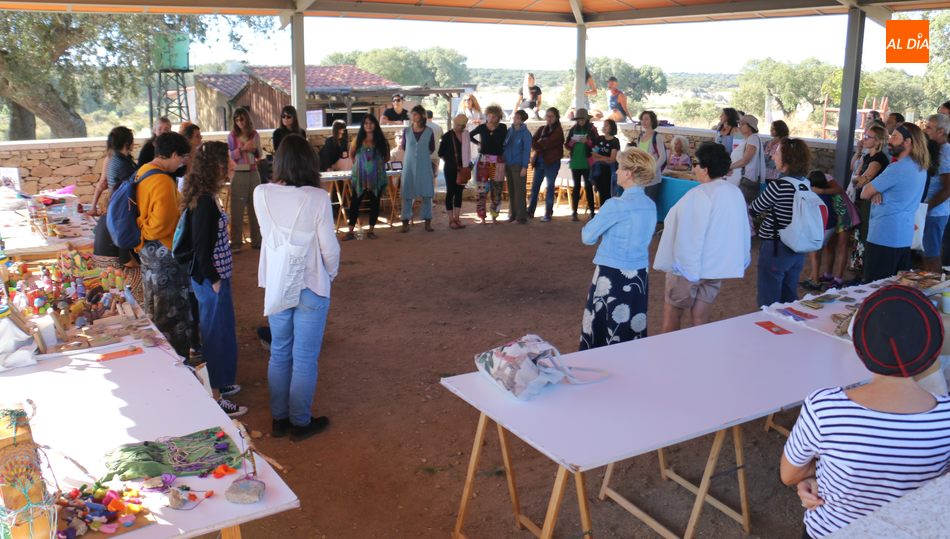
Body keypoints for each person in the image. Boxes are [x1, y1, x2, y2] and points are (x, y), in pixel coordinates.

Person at [782, 285, 950, 539]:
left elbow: (789, 474)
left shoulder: (824, 407)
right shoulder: (945, 418)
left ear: (860, 347)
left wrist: (821, 477)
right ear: (932, 351)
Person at [253, 134, 339, 442]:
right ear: (309, 163)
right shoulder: (317, 197)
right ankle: (300, 422)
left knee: (279, 351)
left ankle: (279, 419)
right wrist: (331, 273)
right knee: (304, 356)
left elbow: (267, 237)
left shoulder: (261, 193)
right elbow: (329, 247)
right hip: (310, 281)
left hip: (277, 281)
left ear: (280, 161)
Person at [179, 141, 246, 417]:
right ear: (216, 166)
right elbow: (201, 247)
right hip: (211, 280)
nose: (232, 165)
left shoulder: (205, 197)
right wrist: (214, 279)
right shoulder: (205, 201)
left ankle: (222, 381)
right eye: (227, 161)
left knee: (221, 331)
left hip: (213, 278)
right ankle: (216, 394)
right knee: (215, 335)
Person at [656, 142, 751, 333]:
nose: (694, 168)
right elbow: (741, 229)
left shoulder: (699, 194)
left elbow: (688, 234)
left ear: (705, 169)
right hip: (716, 268)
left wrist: (684, 268)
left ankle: (668, 356)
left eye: (696, 164)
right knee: (700, 317)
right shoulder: (734, 192)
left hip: (690, 268)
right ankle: (697, 355)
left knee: (672, 314)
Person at [578, 148, 657, 350]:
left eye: (620, 168)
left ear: (629, 173)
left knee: (604, 327)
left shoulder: (615, 205)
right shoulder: (650, 204)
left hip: (611, 274)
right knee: (631, 326)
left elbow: (587, 237)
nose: (617, 172)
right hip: (638, 275)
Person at [135, 131, 192, 358]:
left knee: (153, 306)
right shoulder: (162, 180)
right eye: (182, 158)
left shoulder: (143, 171)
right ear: (174, 154)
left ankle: (159, 359)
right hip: (164, 255)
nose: (182, 163)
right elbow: (162, 225)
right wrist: (146, 230)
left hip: (148, 254)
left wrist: (142, 230)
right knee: (172, 315)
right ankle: (178, 362)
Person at [860, 123, 929, 282]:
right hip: (904, 236)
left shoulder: (898, 168)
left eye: (895, 137)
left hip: (884, 235)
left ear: (907, 142)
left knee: (875, 287)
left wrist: (876, 191)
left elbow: (865, 192)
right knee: (895, 287)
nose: (890, 140)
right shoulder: (920, 167)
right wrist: (878, 191)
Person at [749, 138, 812, 307]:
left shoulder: (779, 185)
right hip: (798, 246)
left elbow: (755, 208)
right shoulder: (805, 183)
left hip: (776, 246)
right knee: (789, 294)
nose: (773, 156)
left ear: (787, 159)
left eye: (777, 153)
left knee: (769, 297)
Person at [90, 126, 143, 304]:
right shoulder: (123, 213)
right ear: (128, 143)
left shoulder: (114, 160)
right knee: (144, 278)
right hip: (111, 270)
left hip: (103, 264)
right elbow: (125, 258)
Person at [801, 171, 854, 291]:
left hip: (843, 213)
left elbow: (839, 190)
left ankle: (838, 279)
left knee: (841, 246)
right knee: (830, 246)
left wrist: (820, 192)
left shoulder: (824, 186)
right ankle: (828, 275)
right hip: (833, 217)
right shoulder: (821, 194)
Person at [848, 125, 889, 276]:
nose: (864, 139)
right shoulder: (867, 157)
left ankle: (865, 272)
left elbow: (860, 181)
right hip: (862, 200)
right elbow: (854, 170)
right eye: (864, 136)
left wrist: (859, 178)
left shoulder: (878, 159)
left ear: (878, 141)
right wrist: (859, 152)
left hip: (870, 203)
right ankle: (859, 270)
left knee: (865, 235)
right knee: (859, 235)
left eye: (868, 137)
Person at [343, 115, 390, 241]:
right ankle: (350, 231)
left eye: (371, 123)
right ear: (363, 126)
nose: (368, 125)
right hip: (360, 178)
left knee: (375, 203)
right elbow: (352, 155)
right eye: (366, 123)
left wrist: (375, 167)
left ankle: (371, 230)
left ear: (375, 124)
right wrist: (362, 167)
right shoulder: (357, 140)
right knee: (355, 203)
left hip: (376, 178)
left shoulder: (381, 141)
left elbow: (387, 157)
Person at [227, 108, 262, 252]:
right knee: (237, 209)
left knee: (255, 208)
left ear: (247, 119)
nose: (240, 122)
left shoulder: (254, 135)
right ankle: (236, 242)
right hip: (238, 173)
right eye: (237, 119)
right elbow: (229, 156)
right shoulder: (232, 136)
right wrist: (242, 149)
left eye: (242, 119)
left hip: (253, 172)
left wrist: (253, 150)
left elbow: (260, 154)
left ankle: (257, 240)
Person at [399, 105, 436, 232]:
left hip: (424, 166)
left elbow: (432, 148)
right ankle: (405, 221)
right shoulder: (406, 131)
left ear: (421, 115)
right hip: (409, 166)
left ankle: (427, 221)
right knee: (407, 194)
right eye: (412, 114)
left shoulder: (429, 131)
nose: (413, 116)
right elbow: (404, 147)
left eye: (415, 114)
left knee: (427, 194)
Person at [470, 104, 508, 223]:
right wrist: (478, 143)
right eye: (489, 115)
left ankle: (494, 215)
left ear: (498, 117)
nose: (491, 118)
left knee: (497, 189)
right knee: (481, 190)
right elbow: (469, 135)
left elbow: (506, 141)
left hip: (498, 161)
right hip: (483, 161)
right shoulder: (481, 127)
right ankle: (482, 217)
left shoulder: (502, 127)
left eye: (494, 116)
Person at [922, 114, 950, 272]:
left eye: (929, 127)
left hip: (935, 213)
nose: (925, 130)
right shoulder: (935, 150)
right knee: (926, 253)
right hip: (930, 211)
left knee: (931, 255)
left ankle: (936, 293)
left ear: (940, 131)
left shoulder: (946, 152)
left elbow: (948, 188)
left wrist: (927, 207)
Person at [528, 107, 565, 222]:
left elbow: (547, 143)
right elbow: (533, 141)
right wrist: (540, 144)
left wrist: (540, 144)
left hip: (551, 162)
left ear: (556, 118)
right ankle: (530, 212)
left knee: (550, 187)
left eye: (551, 116)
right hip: (540, 161)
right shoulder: (542, 129)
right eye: (547, 116)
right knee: (535, 188)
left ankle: (548, 213)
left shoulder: (558, 131)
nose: (548, 118)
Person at [566, 108, 599, 222]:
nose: (580, 122)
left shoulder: (592, 129)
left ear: (586, 119)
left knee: (588, 186)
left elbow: (597, 144)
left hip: (587, 161)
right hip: (575, 161)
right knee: (576, 187)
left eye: (582, 119)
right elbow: (567, 145)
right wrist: (572, 142)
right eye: (578, 120)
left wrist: (588, 142)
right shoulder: (573, 129)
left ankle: (592, 212)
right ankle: (574, 212)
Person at [438, 114, 471, 230]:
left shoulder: (466, 135)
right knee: (450, 192)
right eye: (456, 125)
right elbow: (440, 153)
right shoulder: (447, 136)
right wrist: (451, 162)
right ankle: (451, 219)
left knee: (459, 193)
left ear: (463, 126)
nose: (457, 127)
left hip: (463, 169)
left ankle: (457, 218)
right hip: (450, 169)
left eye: (460, 125)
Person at [728, 114, 766, 204]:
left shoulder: (753, 139)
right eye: (739, 124)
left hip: (746, 182)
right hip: (743, 181)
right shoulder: (750, 139)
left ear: (750, 126)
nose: (739, 127)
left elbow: (745, 160)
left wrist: (729, 167)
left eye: (742, 124)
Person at [502, 110, 532, 224]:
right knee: (512, 190)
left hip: (519, 164)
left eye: (518, 117)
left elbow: (526, 151)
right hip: (508, 164)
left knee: (519, 191)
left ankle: (521, 217)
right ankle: (513, 215)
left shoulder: (525, 133)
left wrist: (524, 167)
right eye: (515, 116)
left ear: (522, 120)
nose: (515, 118)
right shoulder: (510, 131)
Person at [636, 110, 666, 204]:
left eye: (646, 119)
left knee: (650, 206)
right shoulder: (640, 137)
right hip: (640, 177)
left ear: (652, 121)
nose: (643, 122)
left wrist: (651, 170)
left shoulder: (657, 137)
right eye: (642, 119)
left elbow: (663, 157)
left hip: (652, 178)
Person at [591, 119, 620, 204]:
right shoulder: (600, 139)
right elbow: (593, 153)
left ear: (611, 128)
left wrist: (599, 158)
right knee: (600, 192)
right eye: (604, 125)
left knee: (608, 192)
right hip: (599, 169)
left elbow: (612, 159)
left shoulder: (615, 141)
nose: (604, 127)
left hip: (609, 171)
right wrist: (605, 158)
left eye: (606, 125)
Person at [426, 110, 444, 178]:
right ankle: (434, 188)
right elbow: (443, 140)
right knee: (434, 176)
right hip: (436, 154)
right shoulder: (438, 127)